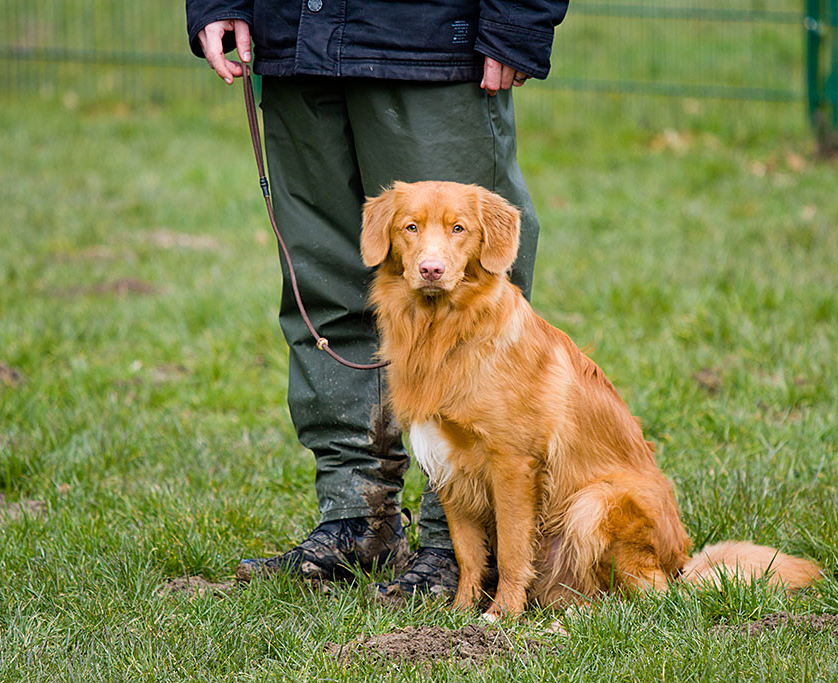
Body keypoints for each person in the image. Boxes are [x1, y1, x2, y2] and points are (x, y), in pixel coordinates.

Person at [185, 0, 569, 599]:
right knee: (325, 280)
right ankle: (356, 518)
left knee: (468, 276)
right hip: (295, 37)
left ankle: (459, 550)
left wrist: (517, 17)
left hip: (431, 40)